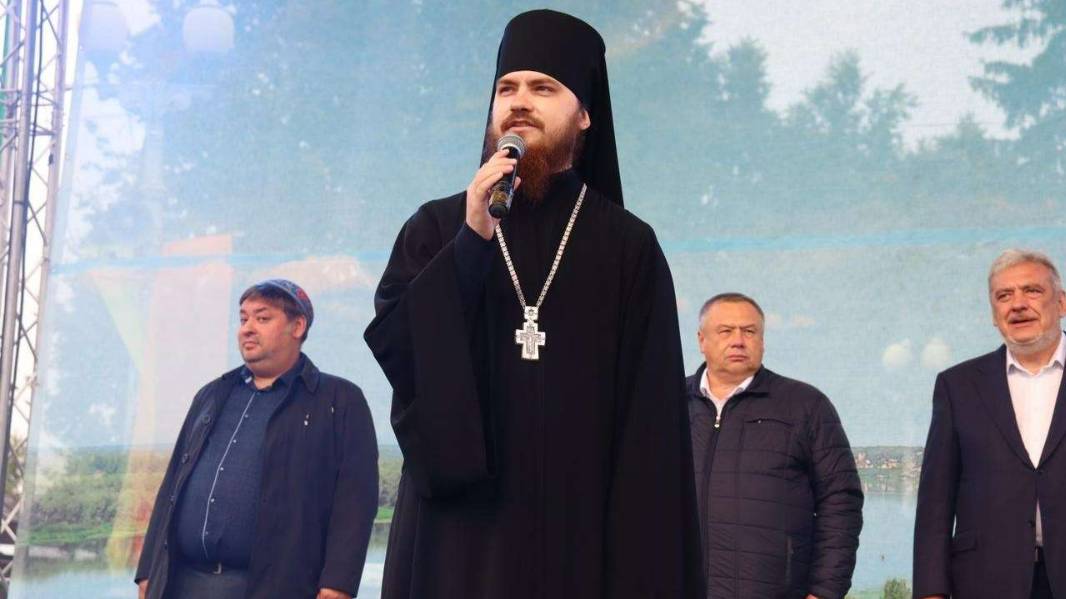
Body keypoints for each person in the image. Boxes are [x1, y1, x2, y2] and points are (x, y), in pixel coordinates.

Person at [363, 9, 702, 599]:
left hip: (582, 538)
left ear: (585, 114)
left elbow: (651, 431)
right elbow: (404, 354)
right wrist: (471, 243)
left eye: (543, 88)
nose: (519, 102)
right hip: (458, 542)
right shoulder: (437, 227)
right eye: (507, 88)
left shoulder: (628, 247)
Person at [135, 279, 378, 599]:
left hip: (275, 587)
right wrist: (149, 570)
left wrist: (338, 583)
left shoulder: (338, 400)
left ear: (298, 326)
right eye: (243, 318)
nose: (247, 328)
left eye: (262, 318)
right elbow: (172, 485)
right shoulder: (212, 394)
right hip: (184, 583)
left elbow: (356, 499)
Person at [687, 292, 863, 599]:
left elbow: (840, 502)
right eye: (725, 331)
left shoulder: (805, 405)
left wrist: (824, 592)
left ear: (762, 341)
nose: (738, 340)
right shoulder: (667, 405)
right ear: (702, 340)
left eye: (749, 331)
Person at [914, 249, 1066, 599]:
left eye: (1032, 291)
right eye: (1004, 296)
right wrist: (930, 592)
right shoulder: (958, 386)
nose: (1018, 304)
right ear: (993, 314)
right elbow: (936, 503)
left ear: (1061, 303)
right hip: (986, 582)